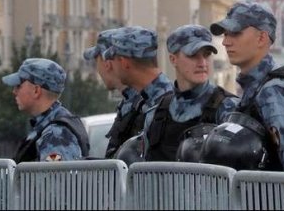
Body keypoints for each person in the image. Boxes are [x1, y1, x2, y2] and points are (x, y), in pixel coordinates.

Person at [208, 1, 284, 173]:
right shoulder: (256, 89)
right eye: (225, 34)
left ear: (262, 38)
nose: (226, 42)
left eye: (235, 33)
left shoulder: (274, 92)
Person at [144, 24, 240, 161]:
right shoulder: (156, 114)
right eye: (193, 55)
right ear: (173, 59)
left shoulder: (228, 108)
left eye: (207, 55)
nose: (202, 63)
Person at [102, 26, 174, 159]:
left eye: (114, 60)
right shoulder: (143, 100)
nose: (110, 66)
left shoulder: (167, 105)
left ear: (124, 63)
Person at [2, 58, 89, 163]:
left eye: (18, 86)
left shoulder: (56, 134)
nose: (14, 91)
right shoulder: (47, 126)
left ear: (36, 91)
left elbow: (57, 178)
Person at [83, 28, 145, 159]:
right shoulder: (130, 103)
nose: (97, 68)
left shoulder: (144, 104)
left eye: (96, 60)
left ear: (107, 64)